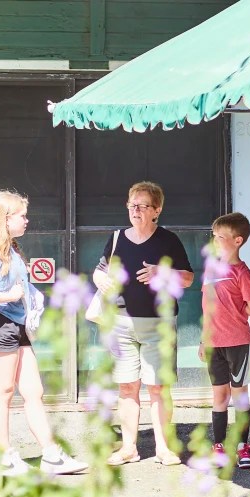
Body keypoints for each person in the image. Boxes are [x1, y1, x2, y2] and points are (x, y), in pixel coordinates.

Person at [0, 191, 87, 476]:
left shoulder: (12, 250)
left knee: (34, 391)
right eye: (21, 215)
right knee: (3, 393)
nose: (26, 220)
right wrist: (8, 294)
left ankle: (51, 455)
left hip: (15, 325)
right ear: (6, 219)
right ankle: (3, 456)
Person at [93, 181, 195, 466]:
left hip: (158, 324)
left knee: (158, 387)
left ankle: (163, 448)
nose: (135, 210)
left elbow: (188, 278)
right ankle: (129, 448)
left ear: (156, 210)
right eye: (132, 205)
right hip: (121, 323)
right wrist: (100, 279)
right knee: (127, 387)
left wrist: (161, 271)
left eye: (142, 205)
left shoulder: (168, 240)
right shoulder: (116, 239)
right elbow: (99, 272)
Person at [199, 212, 250, 469]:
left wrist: (240, 310)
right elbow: (206, 308)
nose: (215, 241)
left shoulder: (243, 273)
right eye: (213, 236)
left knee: (240, 396)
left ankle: (243, 448)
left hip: (239, 343)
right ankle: (219, 447)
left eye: (220, 237)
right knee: (219, 397)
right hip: (215, 344)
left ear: (237, 241)